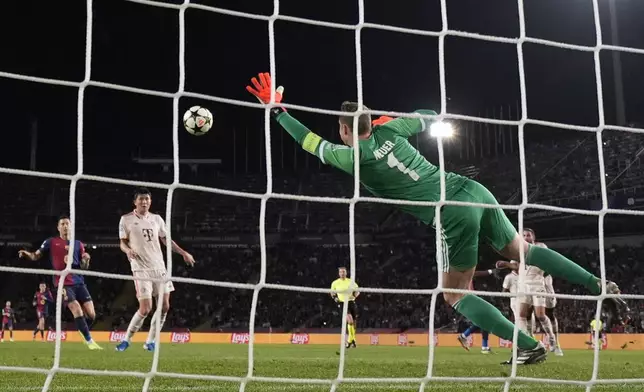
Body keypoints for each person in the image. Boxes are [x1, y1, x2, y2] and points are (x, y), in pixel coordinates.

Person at [246, 72, 629, 365]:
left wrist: (277, 110)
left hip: (451, 212)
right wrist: (388, 121)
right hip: (474, 190)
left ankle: (529, 347)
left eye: (342, 130)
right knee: (522, 249)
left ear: (345, 130)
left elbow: (308, 142)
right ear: (371, 124)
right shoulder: (393, 130)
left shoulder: (351, 156)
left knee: (454, 293)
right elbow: (429, 116)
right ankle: (598, 284)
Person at [116, 187, 195, 352]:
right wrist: (127, 250)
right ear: (135, 201)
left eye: (147, 199)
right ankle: (126, 339)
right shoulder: (126, 219)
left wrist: (183, 253)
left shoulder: (157, 219)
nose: (144, 202)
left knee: (165, 306)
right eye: (141, 199)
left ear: (150, 201)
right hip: (140, 268)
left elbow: (167, 240)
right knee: (145, 308)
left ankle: (150, 341)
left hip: (159, 267)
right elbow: (122, 242)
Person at [18, 216, 102, 350]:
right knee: (76, 308)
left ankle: (82, 330)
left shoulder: (78, 244)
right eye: (62, 224)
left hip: (79, 282)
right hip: (63, 282)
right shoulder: (51, 242)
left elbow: (84, 267)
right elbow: (35, 256)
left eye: (67, 224)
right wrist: (27, 254)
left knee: (92, 315)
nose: (64, 226)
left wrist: (86, 259)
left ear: (71, 226)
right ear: (58, 227)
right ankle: (89, 341)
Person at [496, 229, 557, 352]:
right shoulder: (518, 250)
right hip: (523, 285)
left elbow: (546, 260)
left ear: (533, 236)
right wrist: (506, 264)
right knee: (521, 315)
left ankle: (551, 337)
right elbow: (516, 267)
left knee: (540, 315)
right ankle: (529, 343)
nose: (526, 237)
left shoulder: (540, 246)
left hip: (537, 284)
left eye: (528, 235)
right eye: (523, 235)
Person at [331, 267, 359, 348]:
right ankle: (350, 340)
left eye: (343, 272)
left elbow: (357, 290)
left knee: (354, 323)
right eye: (341, 272)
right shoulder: (335, 283)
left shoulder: (351, 281)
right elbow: (332, 293)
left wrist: (356, 294)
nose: (342, 273)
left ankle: (352, 340)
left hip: (351, 302)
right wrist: (335, 298)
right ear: (339, 273)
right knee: (350, 320)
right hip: (343, 303)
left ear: (346, 273)